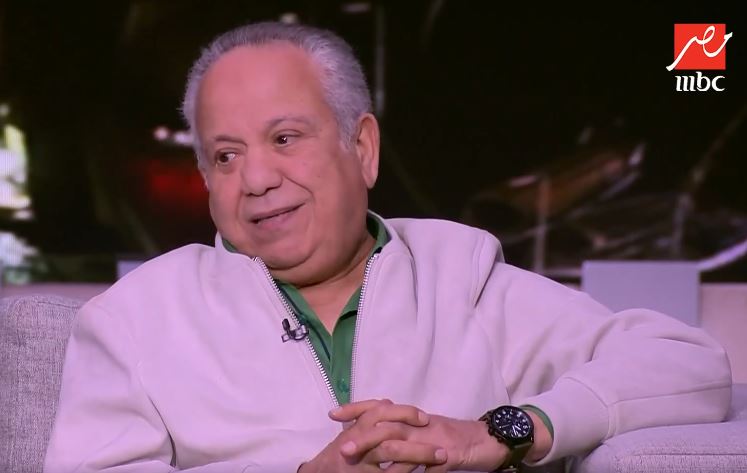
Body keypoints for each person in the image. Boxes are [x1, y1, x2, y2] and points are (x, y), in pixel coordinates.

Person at [44, 21, 732, 473]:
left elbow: (687, 365)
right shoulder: (137, 317)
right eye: (225, 155)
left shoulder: (462, 278)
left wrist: (502, 432)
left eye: (285, 139)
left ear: (363, 148)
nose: (255, 179)